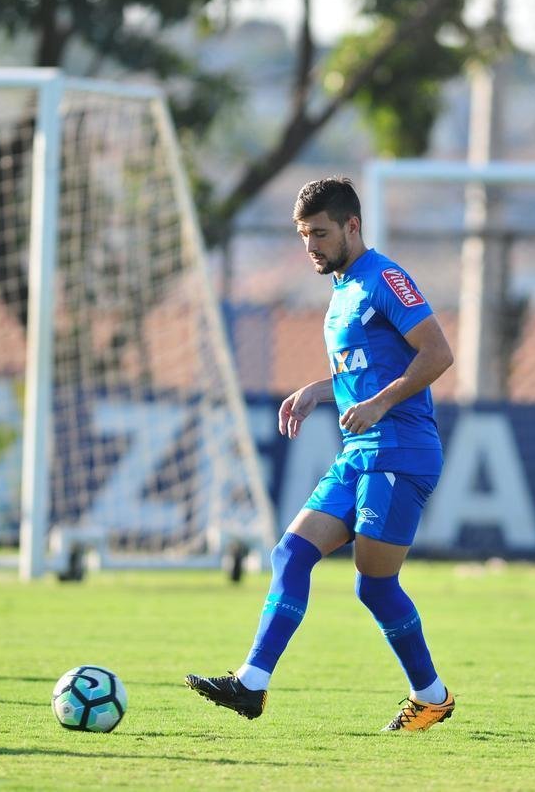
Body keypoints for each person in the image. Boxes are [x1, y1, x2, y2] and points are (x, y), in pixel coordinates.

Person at [186, 176, 456, 732]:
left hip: (399, 452)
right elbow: (365, 369)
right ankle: (251, 684)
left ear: (352, 227)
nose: (310, 245)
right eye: (304, 234)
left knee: (374, 583)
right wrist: (320, 389)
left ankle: (431, 697)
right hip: (359, 451)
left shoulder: (386, 277)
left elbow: (438, 353)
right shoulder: (343, 289)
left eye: (320, 233)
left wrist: (380, 404)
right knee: (291, 553)